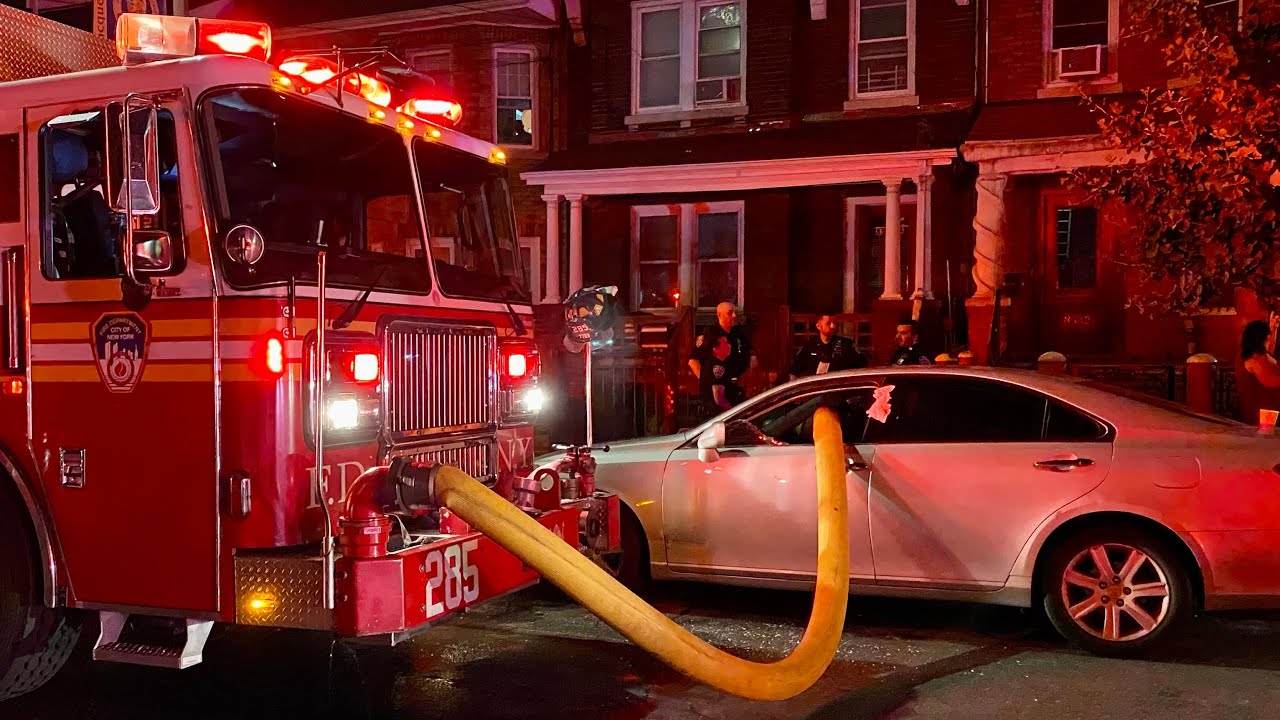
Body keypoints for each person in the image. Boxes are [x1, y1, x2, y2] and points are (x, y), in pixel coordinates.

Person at [689, 302, 752, 414]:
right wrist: (707, 379)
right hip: (717, 386)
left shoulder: (737, 333)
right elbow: (693, 360)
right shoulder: (710, 335)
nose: (734, 316)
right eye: (730, 313)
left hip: (734, 385)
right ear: (719, 315)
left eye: (734, 313)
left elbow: (748, 352)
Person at [1235, 314, 1280, 424]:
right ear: (1261, 339)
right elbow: (1270, 381)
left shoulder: (1260, 354)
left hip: (1271, 408)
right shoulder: (1252, 360)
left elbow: (1271, 347)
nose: (1270, 341)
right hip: (1264, 413)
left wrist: (1274, 327)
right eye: (1268, 338)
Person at [791, 314, 866, 379]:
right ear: (818, 326)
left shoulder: (846, 344)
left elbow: (862, 367)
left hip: (839, 390)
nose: (833, 326)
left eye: (834, 323)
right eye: (829, 323)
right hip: (816, 390)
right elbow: (794, 371)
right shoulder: (810, 346)